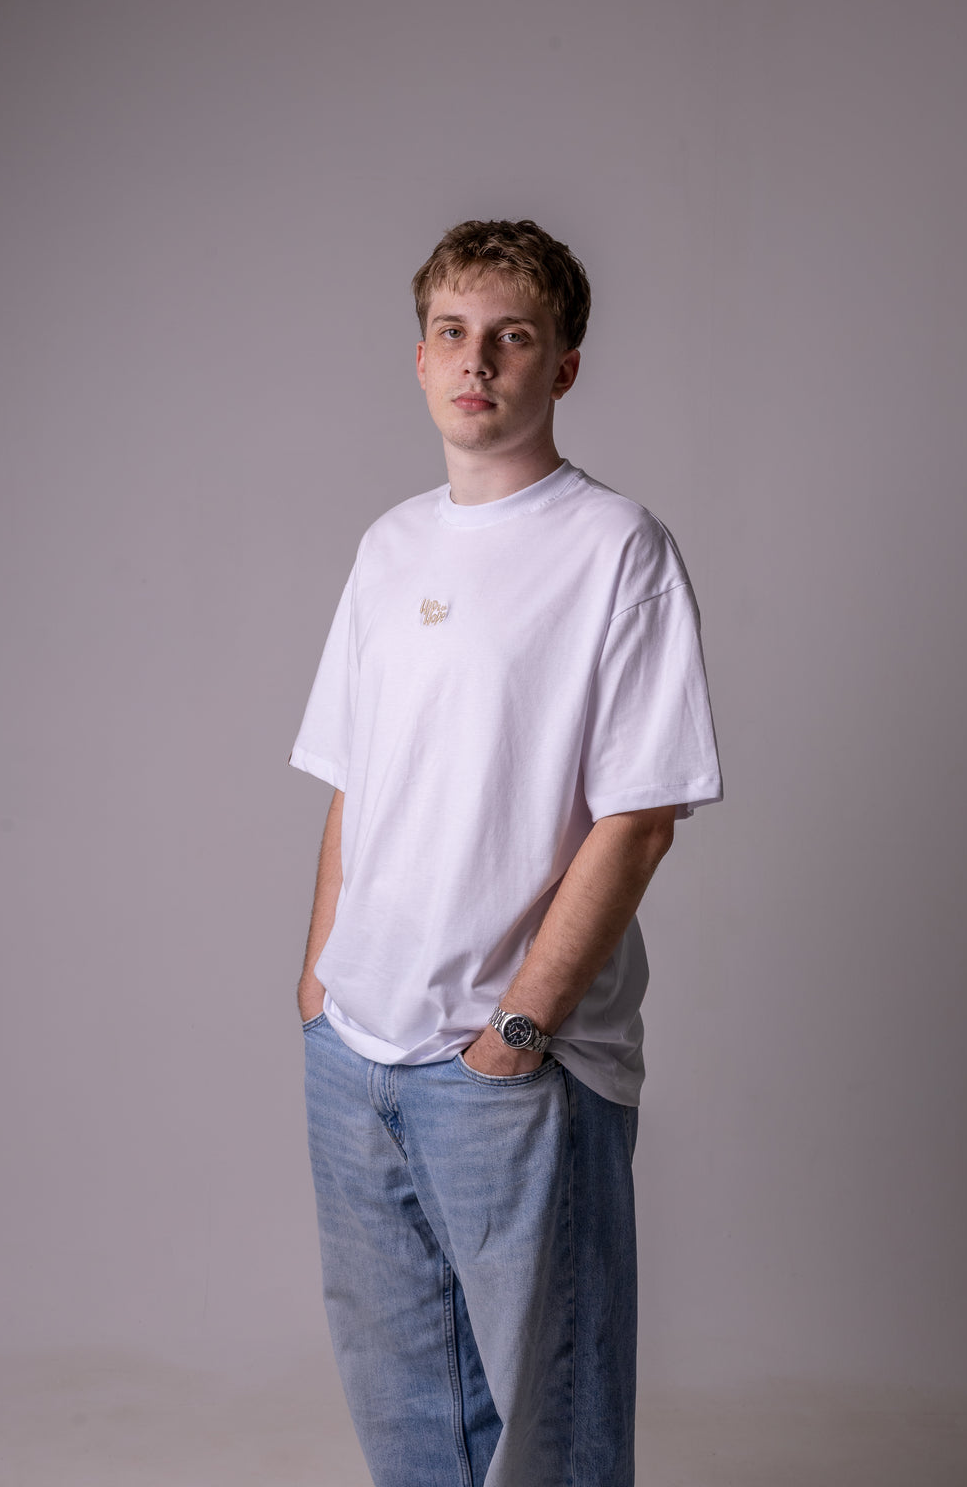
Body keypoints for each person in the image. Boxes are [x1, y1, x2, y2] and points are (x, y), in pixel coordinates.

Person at [290, 218, 722, 1487]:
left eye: (511, 336)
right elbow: (355, 781)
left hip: (510, 1069)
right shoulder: (388, 547)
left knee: (555, 1438)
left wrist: (519, 1030)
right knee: (410, 1431)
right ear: (421, 357)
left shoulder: (617, 549)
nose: (475, 360)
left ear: (562, 366)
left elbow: (639, 817)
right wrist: (319, 985)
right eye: (452, 332)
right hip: (355, 1053)